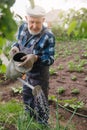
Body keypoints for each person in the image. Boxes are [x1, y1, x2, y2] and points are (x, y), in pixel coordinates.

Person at [9, 5, 55, 125]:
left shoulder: (48, 36)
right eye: (31, 22)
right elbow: (18, 42)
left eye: (38, 22)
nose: (34, 26)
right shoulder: (23, 28)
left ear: (43, 20)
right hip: (26, 71)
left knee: (40, 98)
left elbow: (50, 59)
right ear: (26, 18)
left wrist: (35, 57)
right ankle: (29, 115)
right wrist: (15, 47)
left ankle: (42, 122)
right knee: (27, 94)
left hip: (40, 74)